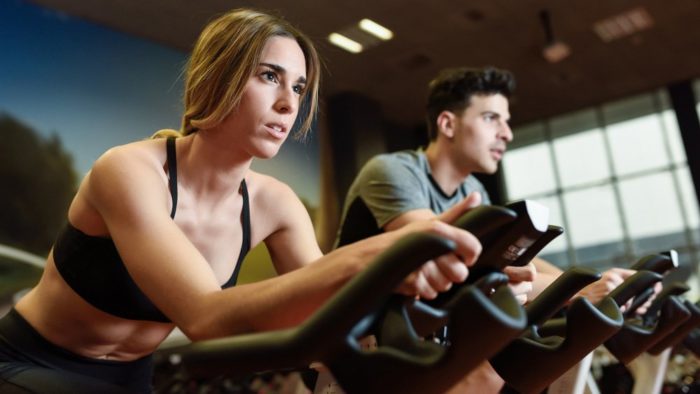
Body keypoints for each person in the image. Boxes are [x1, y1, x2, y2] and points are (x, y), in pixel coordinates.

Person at [0, 10, 483, 394]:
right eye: (270, 76)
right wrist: (382, 251)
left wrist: (459, 285)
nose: (289, 104)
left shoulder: (276, 203)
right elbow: (206, 317)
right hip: (28, 362)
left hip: (133, 378)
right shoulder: (128, 171)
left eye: (297, 87)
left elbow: (330, 310)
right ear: (217, 78)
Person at [334, 66, 648, 393]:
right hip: (355, 342)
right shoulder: (393, 172)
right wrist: (575, 292)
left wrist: (590, 284)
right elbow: (457, 264)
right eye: (491, 118)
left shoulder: (474, 192)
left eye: (506, 121)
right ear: (447, 124)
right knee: (491, 372)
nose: (506, 133)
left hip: (422, 334)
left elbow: (509, 258)